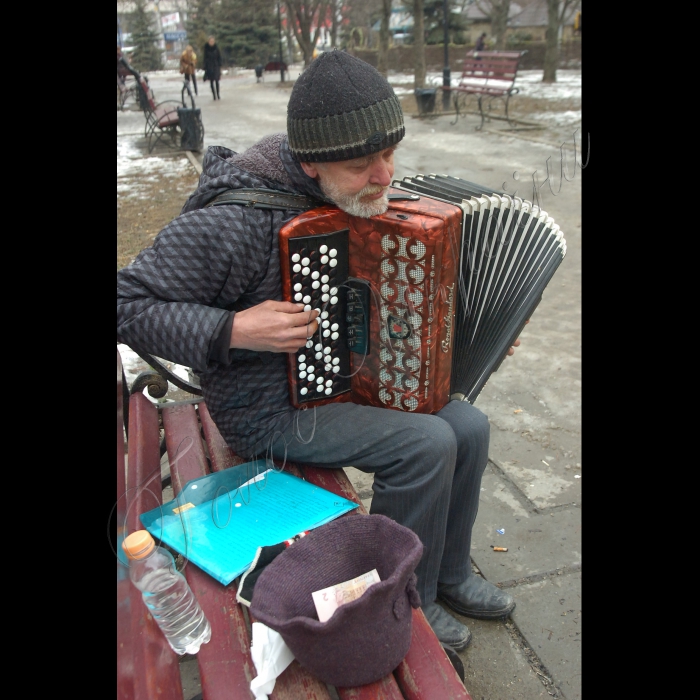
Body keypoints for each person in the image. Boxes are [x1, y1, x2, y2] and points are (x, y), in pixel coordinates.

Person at [116, 49, 519, 651]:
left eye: (390, 154)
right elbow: (127, 303)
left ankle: (449, 573)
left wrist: (455, 334)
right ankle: (407, 602)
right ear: (310, 163)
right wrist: (233, 329)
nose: (384, 176)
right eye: (363, 164)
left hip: (340, 382)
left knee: (469, 424)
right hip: (268, 411)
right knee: (427, 443)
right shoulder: (232, 223)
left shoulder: (343, 190)